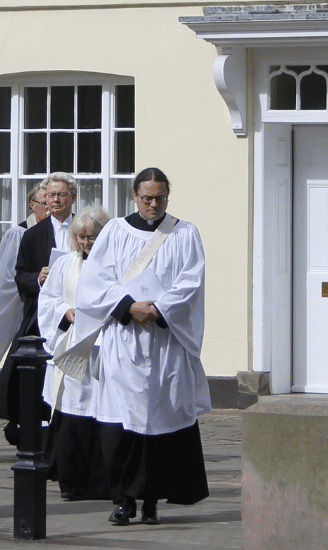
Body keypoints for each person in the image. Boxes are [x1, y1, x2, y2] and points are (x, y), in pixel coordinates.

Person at [61, 167, 209, 526]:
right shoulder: (114, 231)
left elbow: (191, 283)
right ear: (134, 196)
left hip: (164, 343)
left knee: (159, 426)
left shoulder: (185, 234)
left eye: (159, 198)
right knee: (121, 429)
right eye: (147, 198)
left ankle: (153, 502)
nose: (153, 204)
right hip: (123, 343)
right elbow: (95, 282)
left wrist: (159, 309)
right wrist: (129, 307)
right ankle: (124, 500)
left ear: (167, 197)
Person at [0, 172, 79, 444]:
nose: (55, 200)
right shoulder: (32, 235)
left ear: (72, 198)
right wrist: (37, 278)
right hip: (42, 316)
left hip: (77, 311)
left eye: (61, 195)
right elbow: (19, 276)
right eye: (50, 195)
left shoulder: (86, 229)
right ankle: (34, 431)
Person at [37, 205, 111, 501]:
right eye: (80, 238)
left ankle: (102, 483)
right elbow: (48, 299)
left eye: (91, 238)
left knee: (103, 415)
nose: (86, 243)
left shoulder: (113, 265)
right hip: (72, 349)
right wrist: (64, 311)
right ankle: (72, 482)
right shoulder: (65, 264)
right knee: (72, 413)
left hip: (103, 351)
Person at [0, 182, 49, 388]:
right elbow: (6, 279)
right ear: (33, 205)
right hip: (27, 306)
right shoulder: (19, 234)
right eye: (44, 203)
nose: (50, 208)